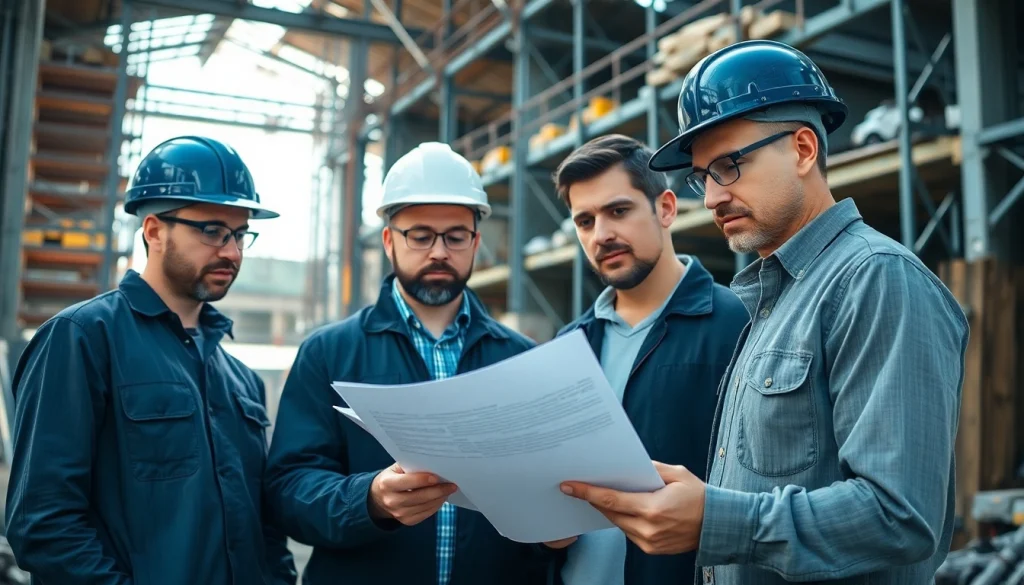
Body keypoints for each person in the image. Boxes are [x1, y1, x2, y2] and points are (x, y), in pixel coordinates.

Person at [559, 40, 969, 585]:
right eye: (702, 176)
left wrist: (716, 520)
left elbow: (901, 516)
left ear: (803, 149)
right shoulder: (772, 298)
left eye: (729, 165)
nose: (709, 199)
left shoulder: (875, 280)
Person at [4, 136, 297, 585]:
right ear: (155, 231)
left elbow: (265, 529)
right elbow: (43, 523)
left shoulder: (240, 381)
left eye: (240, 234)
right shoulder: (82, 339)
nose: (233, 252)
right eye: (213, 230)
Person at [264, 142, 557, 585]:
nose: (439, 252)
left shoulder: (520, 359)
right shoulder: (328, 353)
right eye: (420, 235)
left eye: (456, 236)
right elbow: (288, 490)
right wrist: (369, 500)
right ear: (389, 241)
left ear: (475, 241)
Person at [546, 133, 749, 585]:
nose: (602, 235)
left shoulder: (738, 324)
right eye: (585, 221)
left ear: (666, 208)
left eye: (618, 211)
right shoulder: (567, 346)